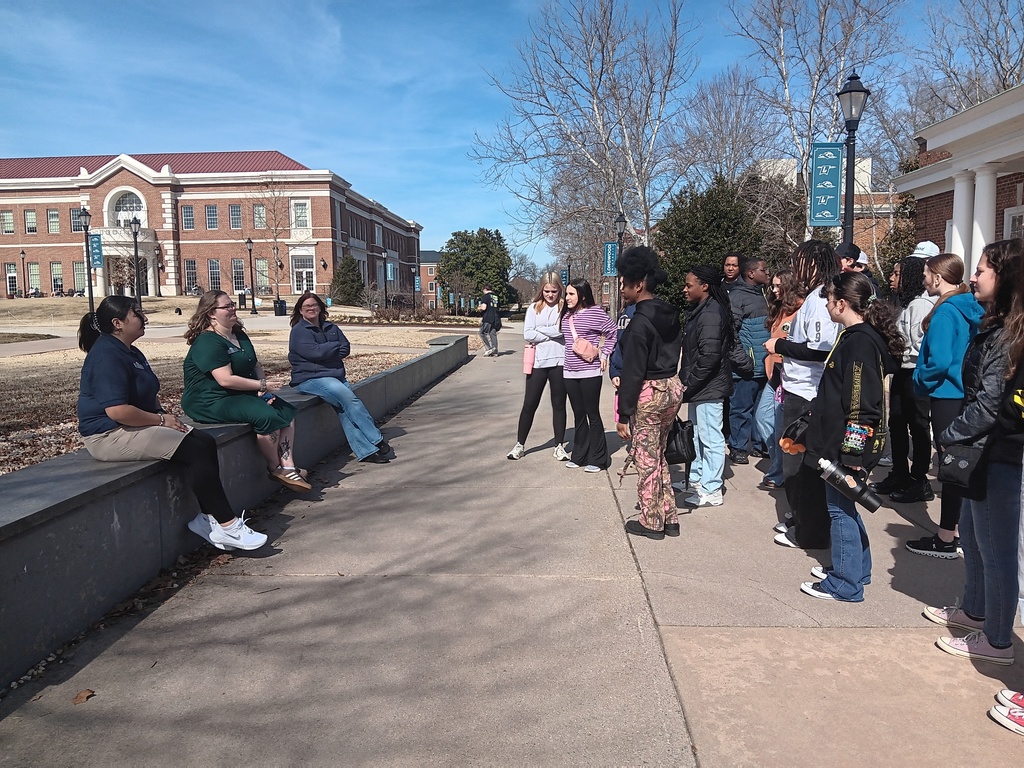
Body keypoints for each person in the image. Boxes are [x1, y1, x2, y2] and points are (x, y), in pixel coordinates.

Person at [77, 296, 267, 551]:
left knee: (204, 441)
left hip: (133, 426)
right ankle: (229, 526)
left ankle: (207, 520)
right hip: (108, 435)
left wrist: (163, 417)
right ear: (117, 323)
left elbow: (144, 394)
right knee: (195, 448)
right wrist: (160, 420)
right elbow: (117, 411)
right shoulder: (106, 355)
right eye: (136, 313)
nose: (144, 318)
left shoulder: (130, 350)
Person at [925, 239, 1024, 665]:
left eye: (982, 270)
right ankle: (975, 610)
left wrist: (951, 434)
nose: (974, 277)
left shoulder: (1008, 335)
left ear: (1003, 277)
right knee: (975, 536)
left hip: (997, 453)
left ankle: (999, 640)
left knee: (995, 547)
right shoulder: (992, 324)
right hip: (979, 451)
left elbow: (990, 402)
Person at [798, 272, 903, 601]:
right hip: (835, 442)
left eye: (829, 299)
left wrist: (853, 457)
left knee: (840, 511)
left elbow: (862, 406)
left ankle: (845, 583)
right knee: (846, 507)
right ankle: (857, 568)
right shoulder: (854, 336)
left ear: (842, 304)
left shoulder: (859, 342)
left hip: (845, 447)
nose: (827, 304)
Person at [182, 290, 311, 492]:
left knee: (285, 411)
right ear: (211, 313)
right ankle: (275, 467)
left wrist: (263, 388)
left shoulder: (238, 334)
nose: (233, 308)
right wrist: (261, 386)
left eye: (232, 304)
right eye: (227, 306)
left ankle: (288, 465)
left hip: (238, 392)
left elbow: (254, 363)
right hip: (210, 400)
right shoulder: (207, 342)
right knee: (267, 417)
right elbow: (225, 380)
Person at [765, 240, 841, 549]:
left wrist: (780, 346)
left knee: (801, 466)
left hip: (809, 392)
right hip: (796, 388)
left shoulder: (823, 297)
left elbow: (820, 350)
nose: (796, 268)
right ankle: (801, 517)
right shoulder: (814, 296)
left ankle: (810, 531)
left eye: (801, 262)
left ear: (814, 264)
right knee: (793, 464)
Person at [907, 252, 982, 557]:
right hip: (965, 393)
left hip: (945, 394)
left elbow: (938, 361)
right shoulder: (970, 307)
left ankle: (945, 537)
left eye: (926, 273)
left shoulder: (946, 312)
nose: (924, 279)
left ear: (937, 277)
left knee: (950, 467)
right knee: (962, 464)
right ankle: (960, 531)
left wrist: (919, 383)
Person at [614, 247, 683, 539]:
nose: (621, 287)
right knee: (659, 454)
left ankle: (650, 520)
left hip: (649, 392)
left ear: (639, 283)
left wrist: (623, 413)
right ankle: (668, 515)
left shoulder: (639, 323)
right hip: (671, 386)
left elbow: (632, 372)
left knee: (645, 457)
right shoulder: (669, 313)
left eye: (624, 282)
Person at [288, 292, 393, 465]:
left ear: (321, 308)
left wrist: (327, 350)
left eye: (314, 305)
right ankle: (377, 439)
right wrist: (333, 347)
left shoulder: (331, 328)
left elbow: (345, 348)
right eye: (307, 306)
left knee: (344, 408)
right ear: (300, 310)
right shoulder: (299, 331)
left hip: (334, 376)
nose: (311, 309)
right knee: (350, 400)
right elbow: (314, 353)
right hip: (310, 379)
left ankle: (366, 452)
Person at [872, 254, 936, 503]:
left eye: (897, 273)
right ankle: (899, 472)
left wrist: (895, 348)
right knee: (897, 423)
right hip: (902, 371)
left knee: (918, 426)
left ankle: (919, 481)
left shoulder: (920, 306)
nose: (891, 277)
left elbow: (918, 344)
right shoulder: (906, 304)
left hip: (913, 371)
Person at [678, 265, 733, 508]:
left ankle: (711, 489)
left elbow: (709, 357)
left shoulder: (711, 313)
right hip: (700, 387)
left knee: (711, 438)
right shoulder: (700, 310)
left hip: (709, 387)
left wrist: (687, 384)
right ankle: (697, 479)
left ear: (705, 286)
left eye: (689, 285)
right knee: (697, 435)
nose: (685, 289)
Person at [507, 273, 569, 461]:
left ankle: (559, 445)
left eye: (554, 291)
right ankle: (520, 445)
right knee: (529, 404)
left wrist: (541, 331)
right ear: (541, 289)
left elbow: (563, 331)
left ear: (560, 290)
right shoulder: (534, 308)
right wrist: (552, 333)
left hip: (559, 361)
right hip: (538, 362)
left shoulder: (565, 307)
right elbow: (528, 334)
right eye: (547, 291)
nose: (550, 295)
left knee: (559, 405)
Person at [561, 278, 617, 472]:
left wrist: (605, 354)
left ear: (582, 295)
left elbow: (612, 332)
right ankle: (579, 455)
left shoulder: (595, 312)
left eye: (571, 294)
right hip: (569, 371)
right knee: (578, 414)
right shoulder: (566, 314)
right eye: (566, 294)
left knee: (591, 413)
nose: (567, 297)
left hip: (589, 371)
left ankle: (598, 458)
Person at [758, 269, 803, 490]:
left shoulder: (801, 310)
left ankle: (779, 471)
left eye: (778, 286)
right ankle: (780, 460)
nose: (774, 290)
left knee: (779, 425)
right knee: (763, 418)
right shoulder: (779, 309)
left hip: (788, 374)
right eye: (773, 286)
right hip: (773, 372)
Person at [727, 255, 771, 464]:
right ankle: (738, 447)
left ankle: (760, 444)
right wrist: (743, 360)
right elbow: (729, 333)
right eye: (764, 269)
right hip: (746, 367)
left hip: (765, 366)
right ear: (751, 273)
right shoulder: (737, 297)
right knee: (741, 408)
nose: (768, 273)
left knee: (760, 410)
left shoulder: (764, 294)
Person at [478, 286, 500, 357]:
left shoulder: (486, 296)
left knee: (482, 333)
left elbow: (484, 307)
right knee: (492, 333)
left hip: (487, 317)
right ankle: (495, 350)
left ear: (485, 289)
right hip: (495, 317)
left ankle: (489, 349)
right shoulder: (496, 296)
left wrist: (479, 307)